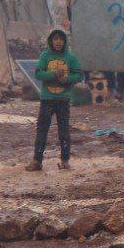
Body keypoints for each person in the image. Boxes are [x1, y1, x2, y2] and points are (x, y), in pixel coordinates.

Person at [29, 29, 83, 171]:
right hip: (47, 99)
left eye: (61, 39)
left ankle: (65, 161)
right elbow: (39, 74)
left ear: (65, 41)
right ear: (51, 41)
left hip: (63, 100)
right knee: (42, 130)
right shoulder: (45, 56)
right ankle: (37, 161)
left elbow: (79, 75)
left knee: (64, 131)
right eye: (55, 39)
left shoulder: (70, 58)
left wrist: (68, 78)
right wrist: (53, 74)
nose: (58, 42)